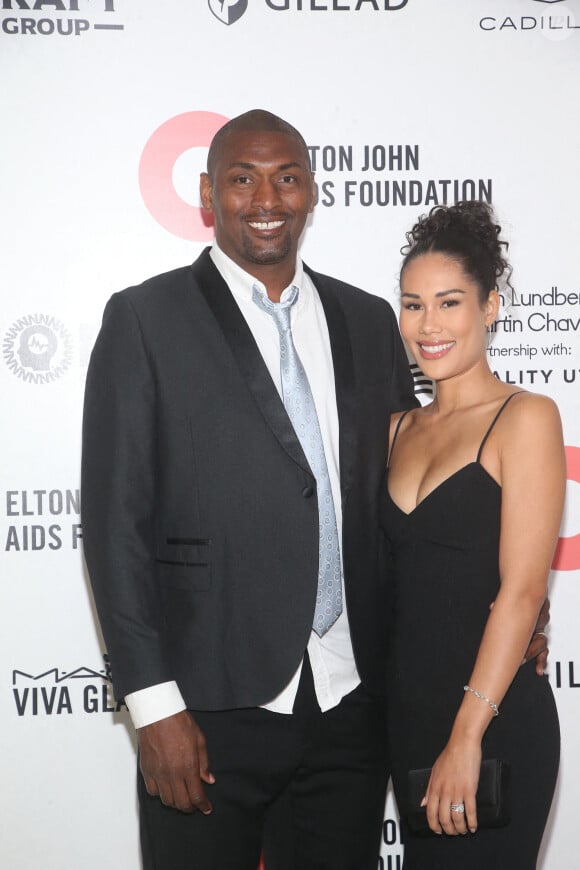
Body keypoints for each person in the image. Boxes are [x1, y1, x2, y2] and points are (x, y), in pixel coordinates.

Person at [81, 109, 417, 870]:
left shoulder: (367, 321)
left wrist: (493, 608)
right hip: (206, 707)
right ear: (207, 195)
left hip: (349, 701)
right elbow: (114, 526)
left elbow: (408, 507)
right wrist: (154, 704)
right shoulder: (144, 319)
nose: (266, 197)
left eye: (287, 177)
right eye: (242, 178)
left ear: (311, 194)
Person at [383, 201, 564, 868]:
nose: (428, 325)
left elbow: (520, 592)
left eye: (449, 303)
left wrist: (466, 738)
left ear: (489, 307)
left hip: (492, 723)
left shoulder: (526, 418)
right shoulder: (395, 430)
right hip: (408, 722)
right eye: (412, 305)